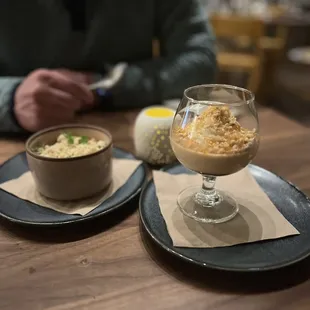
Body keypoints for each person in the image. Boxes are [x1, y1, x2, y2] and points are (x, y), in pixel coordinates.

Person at [0, 0, 216, 133]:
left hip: (133, 136)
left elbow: (200, 60)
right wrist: (11, 99)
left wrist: (105, 86)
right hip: (19, 138)